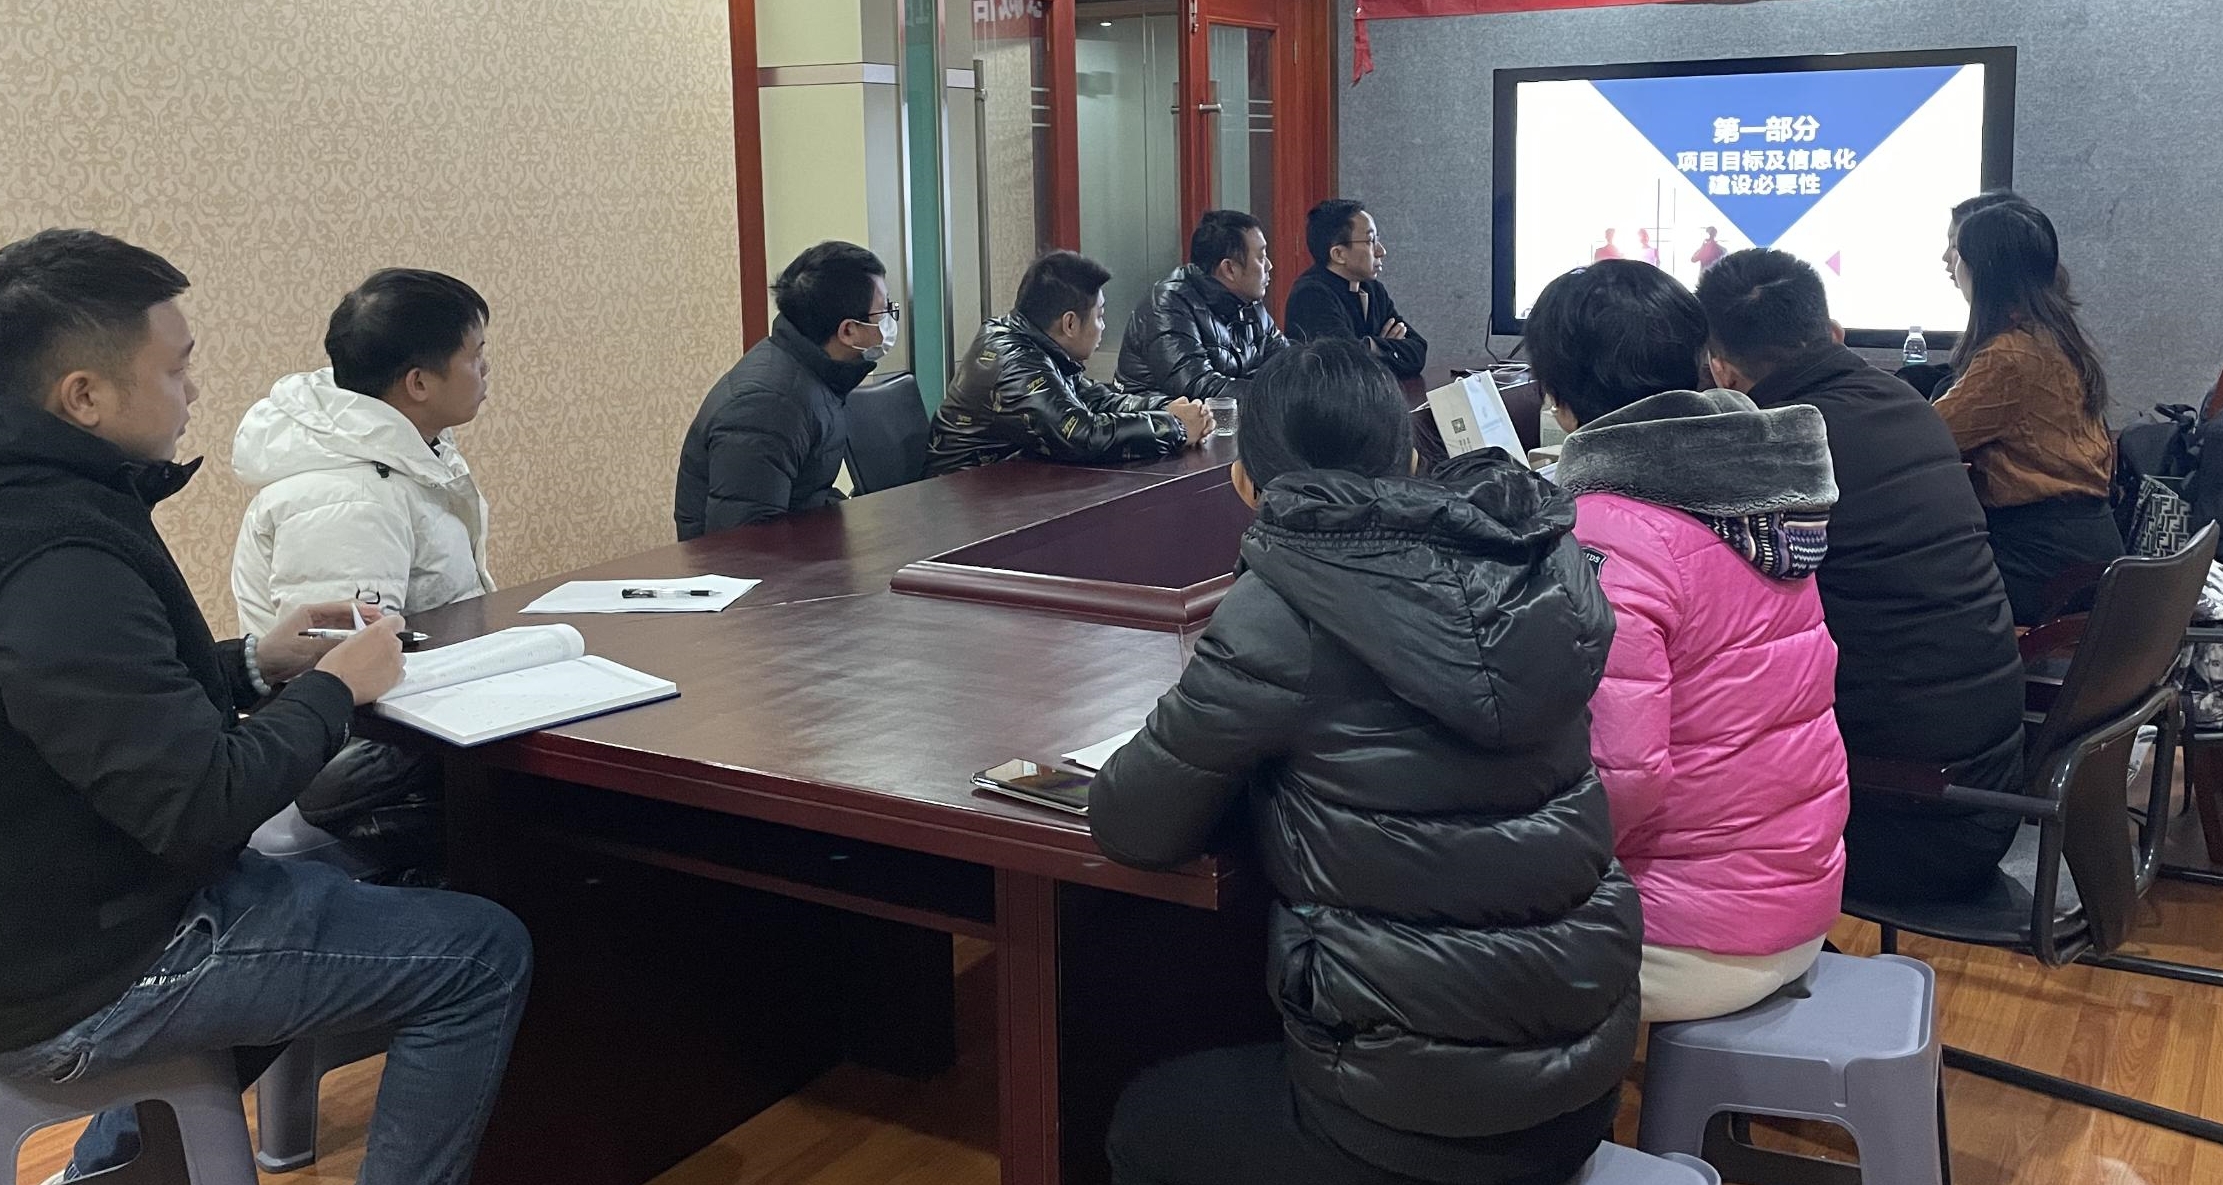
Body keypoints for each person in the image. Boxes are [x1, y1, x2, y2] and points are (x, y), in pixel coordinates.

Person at [0, 229, 529, 1185]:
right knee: (483, 953)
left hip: (72, 921)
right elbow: (201, 802)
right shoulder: (61, 556)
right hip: (91, 967)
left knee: (328, 897)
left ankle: (109, 1168)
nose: (195, 390)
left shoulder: (43, 510)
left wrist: (253, 661)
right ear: (83, 396)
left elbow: (107, 700)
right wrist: (336, 684)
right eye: (176, 368)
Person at [1090, 339, 1638, 1185]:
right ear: (1412, 459)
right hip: (1585, 1086)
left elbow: (1131, 823)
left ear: (1245, 485)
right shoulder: (1536, 573)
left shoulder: (1281, 610)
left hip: (1409, 1125)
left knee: (1141, 1118)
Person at [1527, 261, 1847, 1020]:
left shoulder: (1610, 530)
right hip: (1797, 898)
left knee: (1420, 931)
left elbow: (1620, 776)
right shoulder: (1757, 493)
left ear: (1558, 399)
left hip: (1691, 936)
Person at [1698, 248, 2027, 905]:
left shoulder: (1776, 446)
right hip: (1989, 785)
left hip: (1902, 814)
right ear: (1834, 332)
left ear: (1720, 369)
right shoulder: (1903, 401)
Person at [229, 268, 497, 873]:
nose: (486, 370)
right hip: (359, 758)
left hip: (420, 718)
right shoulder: (349, 496)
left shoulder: (402, 451)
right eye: (475, 355)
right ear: (418, 382)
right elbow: (345, 687)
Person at [1936, 198, 2122, 625]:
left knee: (1906, 588)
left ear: (1984, 271)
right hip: (2083, 544)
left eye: (1958, 253)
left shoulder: (2010, 356)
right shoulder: (2054, 334)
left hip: (2041, 556)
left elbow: (1930, 437)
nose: (1950, 262)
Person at [675, 241, 895, 539]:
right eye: (883, 311)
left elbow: (807, 496)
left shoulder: (815, 374)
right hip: (755, 563)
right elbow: (745, 543)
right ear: (848, 331)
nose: (889, 320)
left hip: (801, 553)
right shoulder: (767, 407)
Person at [927, 250, 1208, 475]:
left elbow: (1095, 399)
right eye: (1100, 316)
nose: (1103, 326)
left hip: (1010, 489)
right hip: (963, 502)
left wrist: (1166, 408)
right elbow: (1082, 435)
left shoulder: (1035, 343)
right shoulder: (1015, 362)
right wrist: (1176, 427)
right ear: (1070, 323)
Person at [1114, 209, 1288, 404]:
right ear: (1229, 269)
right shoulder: (1168, 304)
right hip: (1158, 419)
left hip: (1229, 418)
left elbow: (1286, 363)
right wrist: (1277, 394)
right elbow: (1196, 387)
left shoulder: (1250, 304)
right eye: (1261, 257)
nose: (1269, 266)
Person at [1281, 199, 1428, 380]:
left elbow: (1418, 350)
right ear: (1339, 254)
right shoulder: (1311, 295)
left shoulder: (1373, 289)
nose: (1381, 251)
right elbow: (1346, 365)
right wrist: (1383, 346)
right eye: (1371, 241)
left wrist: (1372, 346)